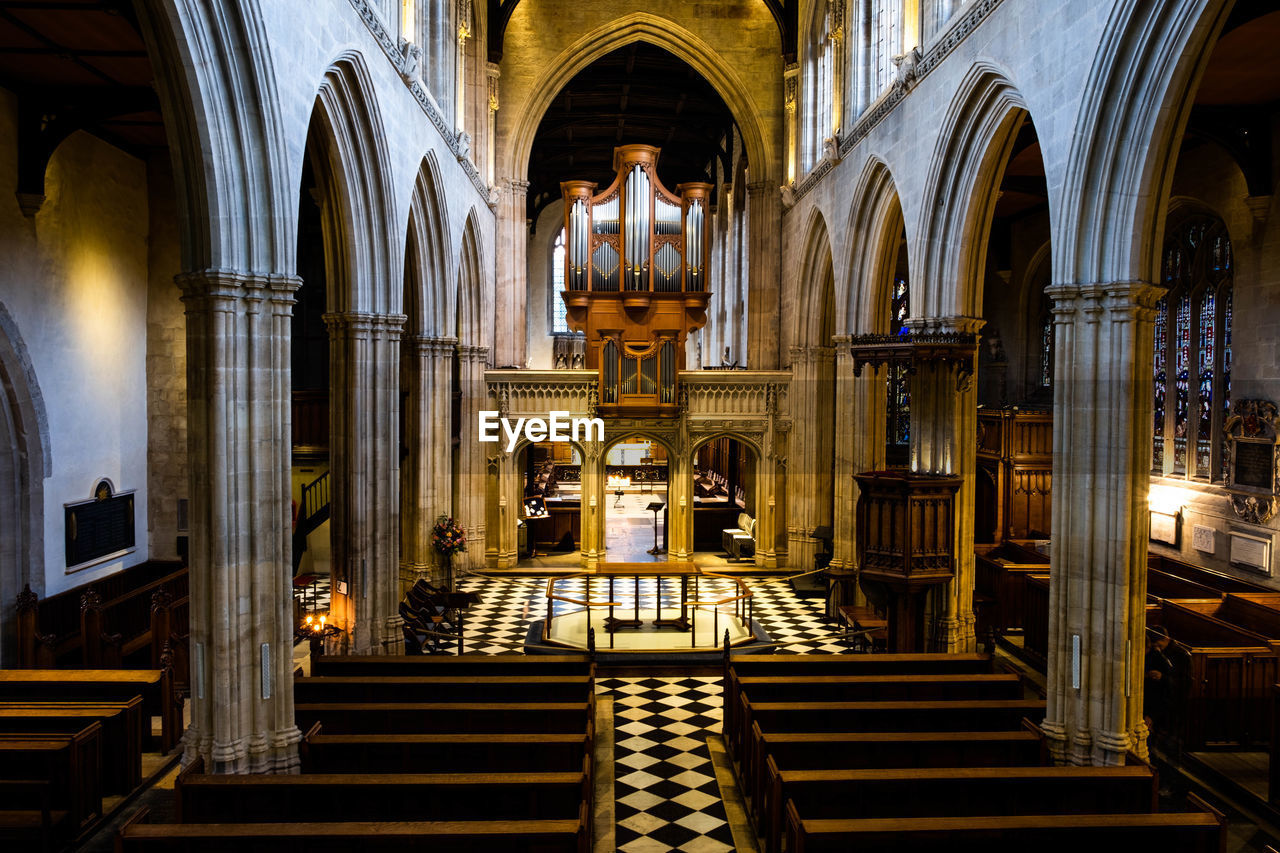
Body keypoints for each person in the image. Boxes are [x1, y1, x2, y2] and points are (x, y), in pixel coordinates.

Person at [1144, 625, 1191, 753]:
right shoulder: (1157, 653)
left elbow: (1184, 682)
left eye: (1158, 644)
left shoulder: (1181, 655)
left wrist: (1163, 677)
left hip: (1173, 702)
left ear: (1166, 639)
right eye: (1153, 646)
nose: (1156, 648)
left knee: (1168, 745)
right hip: (1157, 702)